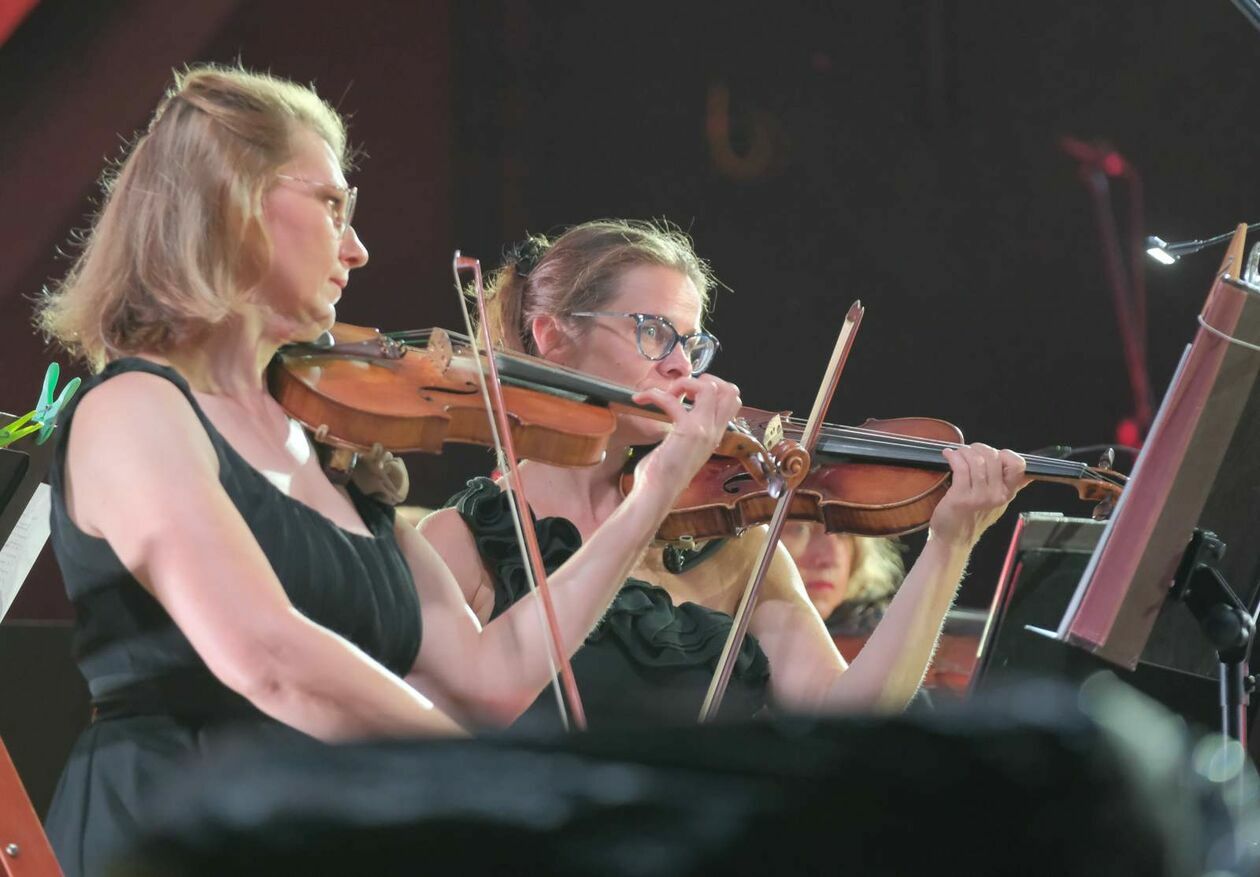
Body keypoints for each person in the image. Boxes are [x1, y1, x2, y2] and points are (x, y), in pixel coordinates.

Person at [33, 66, 741, 875]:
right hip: (172, 836)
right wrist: (499, 783)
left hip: (312, 835)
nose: (358, 247)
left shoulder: (333, 451)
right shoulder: (134, 409)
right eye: (333, 205)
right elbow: (267, 657)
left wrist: (648, 497)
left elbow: (494, 678)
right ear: (230, 199)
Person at [421, 220, 1028, 730]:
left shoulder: (730, 543)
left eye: (691, 343)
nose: (680, 365)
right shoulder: (461, 543)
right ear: (553, 336)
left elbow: (847, 717)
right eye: (652, 333)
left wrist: (951, 543)